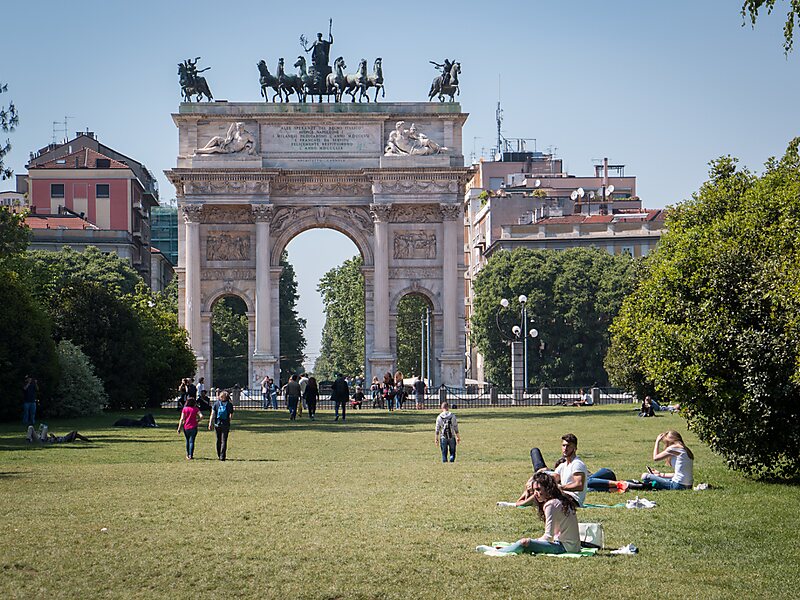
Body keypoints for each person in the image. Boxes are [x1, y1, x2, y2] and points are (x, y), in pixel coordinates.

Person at [477, 472, 580, 556]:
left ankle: (496, 551)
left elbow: (548, 536)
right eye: (534, 490)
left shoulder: (551, 504)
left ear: (548, 489)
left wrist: (534, 541)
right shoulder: (560, 500)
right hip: (572, 546)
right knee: (527, 543)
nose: (536, 493)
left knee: (525, 543)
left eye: (539, 489)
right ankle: (505, 548)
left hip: (564, 547)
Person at [530, 433, 589, 507]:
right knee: (539, 488)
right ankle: (522, 501)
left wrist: (561, 487)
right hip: (563, 495)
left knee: (544, 492)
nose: (565, 448)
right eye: (563, 445)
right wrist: (533, 483)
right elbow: (551, 479)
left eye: (568, 446)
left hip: (573, 500)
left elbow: (579, 486)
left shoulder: (577, 464)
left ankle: (520, 503)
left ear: (575, 448)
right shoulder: (563, 465)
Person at [209, 390, 234, 461]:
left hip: (217, 424)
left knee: (218, 440)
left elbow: (213, 414)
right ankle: (222, 456)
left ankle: (218, 454)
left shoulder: (216, 404)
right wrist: (229, 420)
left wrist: (210, 423)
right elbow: (231, 414)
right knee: (224, 440)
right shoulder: (229, 404)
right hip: (225, 424)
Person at [27, 425, 91, 444]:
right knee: (30, 427)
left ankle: (33, 439)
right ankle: (29, 439)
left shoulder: (64, 439)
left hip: (43, 440)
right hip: (41, 438)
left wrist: (53, 436)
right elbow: (76, 434)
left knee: (45, 427)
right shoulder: (64, 438)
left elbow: (54, 440)